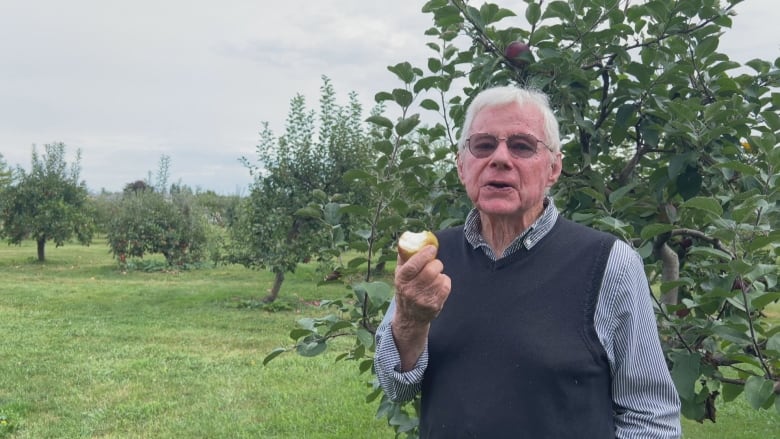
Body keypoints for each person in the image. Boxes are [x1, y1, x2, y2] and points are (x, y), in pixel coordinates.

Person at [374, 85, 682, 438]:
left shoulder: (609, 264)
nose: (500, 158)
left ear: (554, 168)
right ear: (462, 166)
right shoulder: (431, 259)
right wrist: (411, 321)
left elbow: (651, 417)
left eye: (522, 146)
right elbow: (396, 388)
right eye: (483, 145)